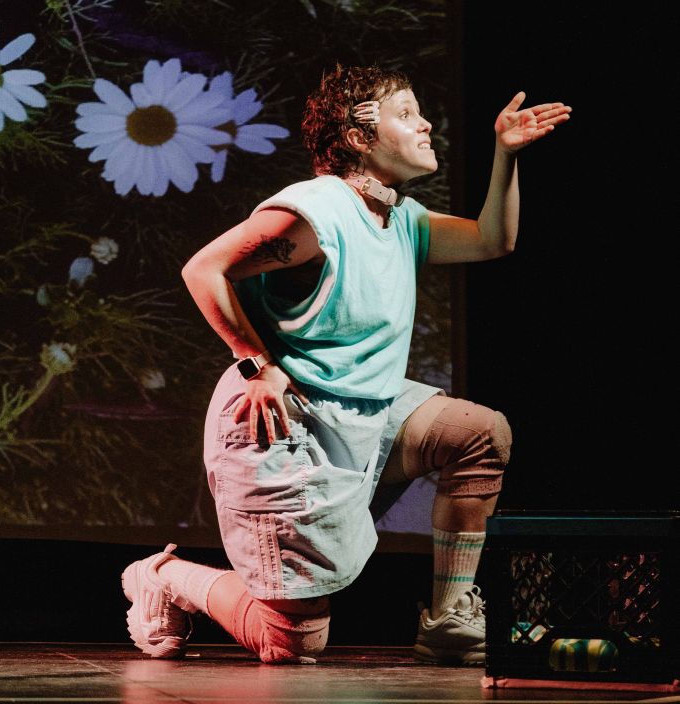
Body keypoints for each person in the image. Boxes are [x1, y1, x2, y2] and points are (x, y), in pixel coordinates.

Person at [121, 63, 571, 666]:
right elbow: (204, 269)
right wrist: (257, 363)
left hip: (365, 411)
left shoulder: (402, 217)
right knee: (290, 642)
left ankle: (449, 619)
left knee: (478, 433)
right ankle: (165, 576)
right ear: (359, 137)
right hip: (285, 422)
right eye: (406, 114)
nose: (426, 124)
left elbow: (494, 240)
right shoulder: (316, 211)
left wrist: (505, 154)